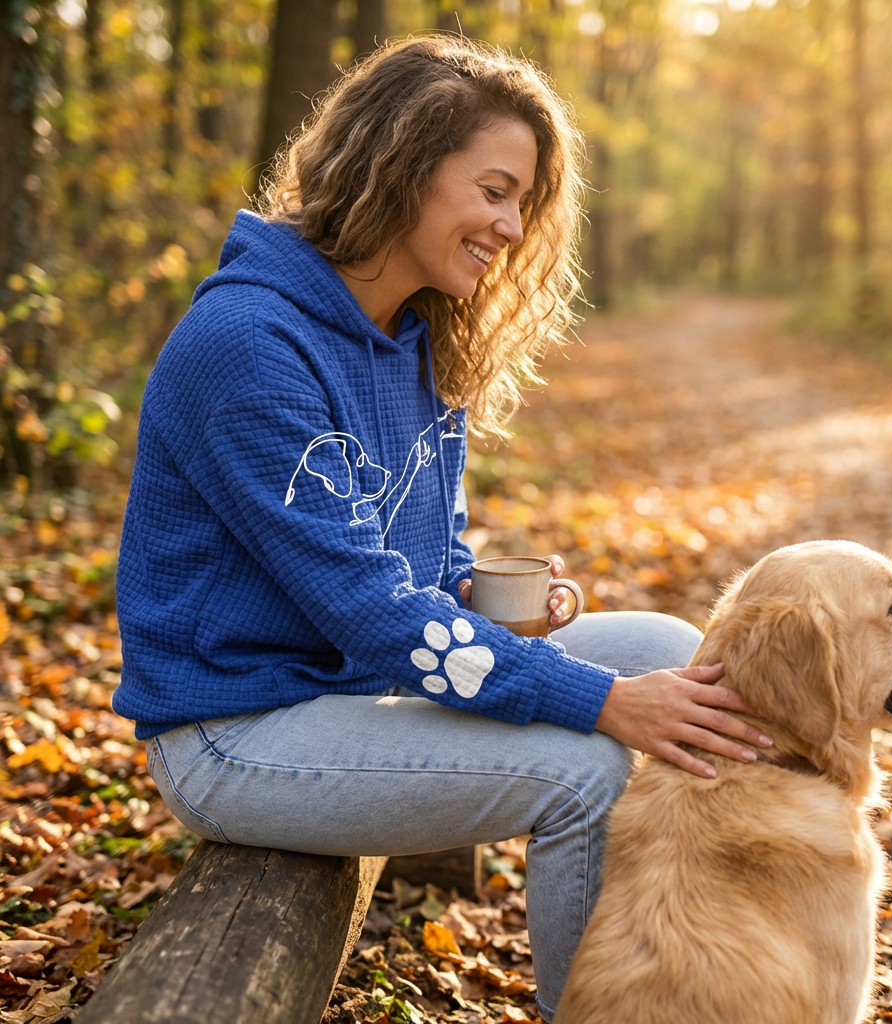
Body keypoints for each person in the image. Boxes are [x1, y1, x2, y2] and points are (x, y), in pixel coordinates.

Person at [113, 36, 772, 1021]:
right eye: (495, 190)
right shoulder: (248, 347)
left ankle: (702, 978)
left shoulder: (419, 335)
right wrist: (591, 700)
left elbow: (423, 570)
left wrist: (493, 599)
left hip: (355, 681)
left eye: (523, 203)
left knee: (673, 651)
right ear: (403, 165)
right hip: (238, 731)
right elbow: (378, 615)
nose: (510, 227)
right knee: (586, 763)